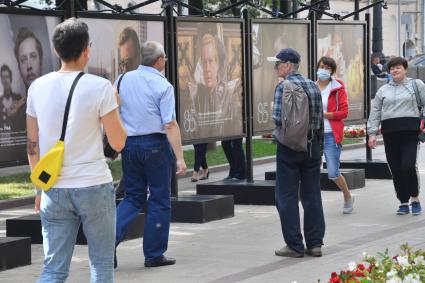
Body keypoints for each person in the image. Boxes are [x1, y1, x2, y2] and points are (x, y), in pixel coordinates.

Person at [26, 18, 127, 282]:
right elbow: (118, 143)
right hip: (93, 184)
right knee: (101, 266)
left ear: (57, 50)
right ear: (86, 50)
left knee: (53, 269)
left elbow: (32, 146)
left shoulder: (37, 87)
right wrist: (117, 108)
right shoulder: (100, 87)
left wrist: (39, 189)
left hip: (54, 189)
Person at [115, 41, 187, 268]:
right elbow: (170, 124)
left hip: (129, 146)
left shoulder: (122, 79)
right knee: (159, 198)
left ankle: (107, 243)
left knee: (132, 197)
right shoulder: (163, 85)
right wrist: (180, 157)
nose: (165, 60)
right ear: (158, 61)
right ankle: (154, 254)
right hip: (155, 145)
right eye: (164, 57)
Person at [268, 48, 325, 258]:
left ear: (288, 65)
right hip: (311, 148)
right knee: (312, 196)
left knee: (286, 196)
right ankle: (315, 244)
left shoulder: (283, 86)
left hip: (289, 149)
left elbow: (277, 120)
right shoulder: (313, 85)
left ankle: (294, 245)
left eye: (278, 63)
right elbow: (319, 122)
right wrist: (318, 152)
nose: (276, 67)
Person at [367, 56, 425, 216]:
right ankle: (403, 202)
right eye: (392, 68)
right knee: (396, 169)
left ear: (405, 69)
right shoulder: (383, 90)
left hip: (410, 133)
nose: (395, 70)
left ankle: (415, 198)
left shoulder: (416, 85)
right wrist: (372, 133)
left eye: (398, 67)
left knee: (407, 166)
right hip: (390, 135)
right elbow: (375, 112)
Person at [315, 57, 353, 214]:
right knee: (311, 171)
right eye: (321, 66)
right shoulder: (311, 86)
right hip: (314, 135)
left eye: (327, 68)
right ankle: (314, 204)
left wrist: (324, 114)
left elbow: (343, 112)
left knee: (332, 172)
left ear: (332, 71)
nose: (323, 70)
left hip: (331, 135)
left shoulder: (337, 88)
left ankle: (347, 196)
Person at [0, 64, 23, 129]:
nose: (5, 80)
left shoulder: (18, 98)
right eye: (3, 77)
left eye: (7, 77)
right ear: (1, 80)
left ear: (11, 78)